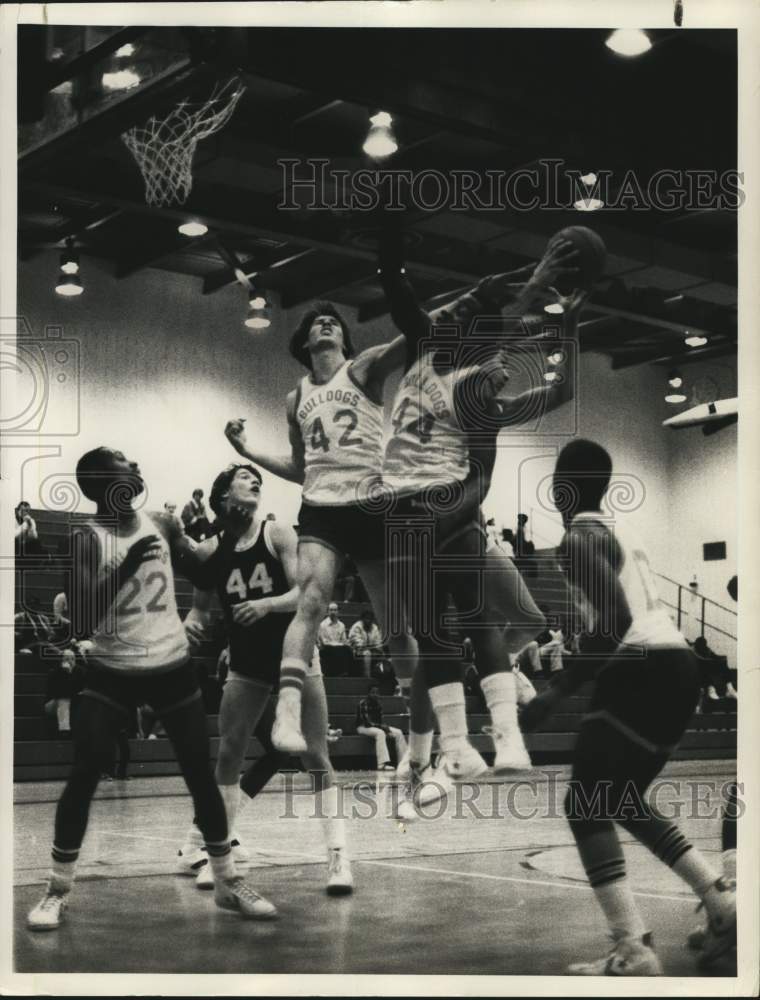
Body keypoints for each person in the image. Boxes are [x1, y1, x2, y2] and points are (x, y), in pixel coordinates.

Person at [27, 446, 276, 931]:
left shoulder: (160, 523)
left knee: (199, 776)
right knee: (84, 775)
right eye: (124, 461)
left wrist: (222, 528)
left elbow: (205, 574)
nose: (136, 466)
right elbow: (79, 617)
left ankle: (227, 880)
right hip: (111, 667)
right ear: (102, 481)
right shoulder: (85, 537)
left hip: (170, 663)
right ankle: (57, 889)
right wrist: (127, 565)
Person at [379, 235, 584, 814]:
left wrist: (567, 324)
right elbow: (471, 322)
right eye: (492, 356)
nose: (501, 366)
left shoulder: (482, 401)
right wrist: (536, 284)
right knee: (438, 630)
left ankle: (502, 731)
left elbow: (561, 387)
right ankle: (456, 746)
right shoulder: (444, 364)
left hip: (450, 513)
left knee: (489, 617)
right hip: (414, 511)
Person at [521, 439, 736, 975]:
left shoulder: (577, 538)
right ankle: (721, 902)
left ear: (560, 488)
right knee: (619, 797)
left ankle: (633, 947)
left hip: (640, 669)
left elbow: (615, 623)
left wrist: (556, 691)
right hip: (678, 665)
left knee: (586, 802)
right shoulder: (623, 530)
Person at [224, 295, 418, 753]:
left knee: (395, 624)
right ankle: (286, 714)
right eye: (317, 323)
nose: (326, 324)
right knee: (310, 603)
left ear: (344, 340)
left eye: (333, 322)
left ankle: (420, 730)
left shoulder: (364, 367)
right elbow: (298, 466)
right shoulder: (296, 398)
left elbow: (413, 338)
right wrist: (247, 452)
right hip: (321, 506)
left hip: (371, 503)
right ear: (305, 341)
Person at [177, 462, 352, 895]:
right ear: (223, 498)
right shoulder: (211, 550)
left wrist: (266, 605)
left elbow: (303, 594)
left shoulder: (276, 534)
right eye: (244, 478)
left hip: (295, 655)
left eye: (258, 479)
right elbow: (200, 607)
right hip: (247, 663)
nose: (255, 481)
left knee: (316, 757)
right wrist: (191, 624)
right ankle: (219, 855)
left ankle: (338, 858)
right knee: (229, 754)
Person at [355, 683, 407, 771]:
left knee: (398, 732)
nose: (375, 695)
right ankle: (381, 764)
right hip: (362, 727)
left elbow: (380, 722)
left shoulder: (378, 704)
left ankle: (403, 763)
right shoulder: (363, 703)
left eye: (377, 692)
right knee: (380, 733)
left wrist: (386, 729)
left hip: (376, 727)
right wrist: (383, 728)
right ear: (368, 693)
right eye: (373, 692)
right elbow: (367, 723)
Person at [44, 647, 85, 735]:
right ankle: (64, 730)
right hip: (53, 704)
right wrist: (66, 674)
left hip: (74, 702)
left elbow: (81, 690)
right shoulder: (55, 672)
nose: (70, 661)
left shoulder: (80, 671)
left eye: (73, 659)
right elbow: (58, 693)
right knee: (64, 699)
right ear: (61, 660)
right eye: (67, 659)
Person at [317, 602, 353, 677]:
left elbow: (344, 640)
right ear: (327, 612)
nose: (333, 612)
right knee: (333, 649)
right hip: (326, 648)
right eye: (331, 610)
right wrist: (338, 645)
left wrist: (346, 644)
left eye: (335, 610)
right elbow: (324, 642)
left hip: (338, 648)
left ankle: (344, 673)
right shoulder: (322, 625)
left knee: (347, 649)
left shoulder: (342, 625)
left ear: (338, 612)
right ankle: (334, 673)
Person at [348, 609, 384, 678]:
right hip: (355, 650)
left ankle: (381, 676)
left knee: (382, 654)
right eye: (366, 618)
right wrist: (371, 648)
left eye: (370, 619)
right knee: (367, 653)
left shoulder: (374, 627)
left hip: (370, 649)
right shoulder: (357, 626)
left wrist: (377, 649)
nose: (368, 620)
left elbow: (378, 642)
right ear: (362, 619)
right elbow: (358, 643)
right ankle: (367, 676)